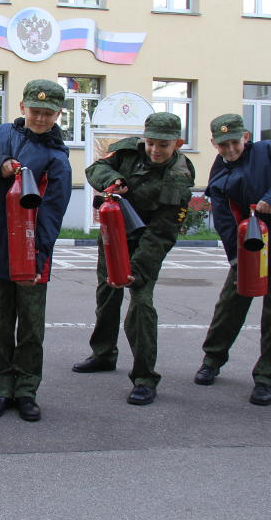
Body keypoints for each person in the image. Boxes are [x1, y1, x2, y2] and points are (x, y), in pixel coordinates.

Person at [0, 79, 72, 422]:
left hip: (31, 254)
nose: (40, 118)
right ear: (23, 107)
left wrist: (38, 260)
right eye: (35, 111)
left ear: (58, 114)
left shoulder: (58, 158)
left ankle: (26, 390)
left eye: (47, 113)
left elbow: (52, 216)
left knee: (30, 329)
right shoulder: (1, 134)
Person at [72, 112, 195, 406]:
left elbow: (162, 233)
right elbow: (96, 168)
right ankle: (103, 354)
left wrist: (136, 270)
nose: (155, 150)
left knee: (141, 304)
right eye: (151, 143)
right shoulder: (128, 151)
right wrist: (113, 179)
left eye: (163, 145)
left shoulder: (178, 177)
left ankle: (144, 378)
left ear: (177, 143)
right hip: (113, 234)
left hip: (146, 243)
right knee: (107, 294)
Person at [192, 114, 271, 406]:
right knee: (229, 308)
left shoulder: (267, 151)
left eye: (234, 142)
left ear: (245, 137)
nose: (230, 149)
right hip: (248, 250)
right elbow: (224, 221)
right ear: (213, 144)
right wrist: (236, 260)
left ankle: (266, 378)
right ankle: (212, 360)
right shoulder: (218, 173)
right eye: (223, 145)